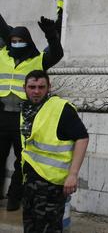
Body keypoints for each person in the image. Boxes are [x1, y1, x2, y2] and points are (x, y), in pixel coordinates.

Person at [0, 12, 63, 211]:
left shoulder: (38, 59)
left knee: (22, 159)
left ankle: (14, 196)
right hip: (2, 115)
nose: (16, 44)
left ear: (27, 42)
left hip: (24, 116)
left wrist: (52, 36)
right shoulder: (2, 54)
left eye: (20, 41)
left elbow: (57, 53)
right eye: (13, 41)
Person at [20, 70, 88, 233]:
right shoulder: (26, 108)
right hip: (30, 181)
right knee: (31, 227)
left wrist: (73, 174)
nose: (36, 91)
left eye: (41, 87)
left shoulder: (61, 108)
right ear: (24, 88)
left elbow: (82, 138)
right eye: (32, 87)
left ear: (49, 87)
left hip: (51, 184)